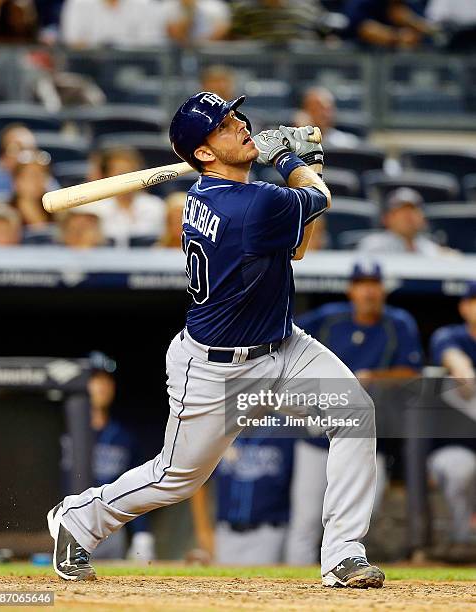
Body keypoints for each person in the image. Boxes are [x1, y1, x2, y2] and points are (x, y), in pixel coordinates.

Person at [47, 91, 385, 589]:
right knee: (176, 478)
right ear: (203, 153)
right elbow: (319, 199)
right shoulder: (248, 206)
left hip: (282, 348)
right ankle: (77, 518)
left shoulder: (218, 197)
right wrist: (292, 159)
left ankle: (343, 554)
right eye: (225, 124)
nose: (241, 124)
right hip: (214, 369)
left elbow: (296, 247)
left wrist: (303, 165)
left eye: (235, 115)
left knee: (355, 414)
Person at [286, 260, 422, 565]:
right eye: (362, 284)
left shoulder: (398, 323)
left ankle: (342, 567)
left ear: (383, 289)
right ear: (351, 290)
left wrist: (373, 377)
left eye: (374, 284)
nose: (368, 291)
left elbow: (412, 374)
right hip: (317, 436)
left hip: (367, 436)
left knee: (364, 512)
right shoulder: (329, 318)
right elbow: (284, 339)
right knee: (305, 519)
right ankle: (293, 587)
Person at [60, 352, 155, 561]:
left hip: (110, 530)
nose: (102, 385)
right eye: (95, 379)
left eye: (107, 379)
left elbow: (138, 487)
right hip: (67, 527)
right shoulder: (61, 431)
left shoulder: (124, 437)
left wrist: (142, 533)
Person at [191, 424, 295, 565]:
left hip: (269, 533)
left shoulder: (285, 430)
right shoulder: (220, 429)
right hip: (225, 532)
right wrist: (203, 530)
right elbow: (199, 481)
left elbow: (300, 487)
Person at [428, 283, 476, 557]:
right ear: (464, 307)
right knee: (460, 467)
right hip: (457, 447)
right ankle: (461, 539)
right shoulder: (451, 336)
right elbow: (458, 364)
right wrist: (463, 369)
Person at [83, 148, 166, 247]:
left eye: (130, 172)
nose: (126, 178)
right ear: (107, 176)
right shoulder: (93, 208)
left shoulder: (155, 206)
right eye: (119, 173)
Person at [358, 187, 449, 255]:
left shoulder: (431, 249)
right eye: (401, 211)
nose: (409, 216)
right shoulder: (373, 245)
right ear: (386, 218)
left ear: (423, 219)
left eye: (413, 210)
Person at [60, 0, 167, 48]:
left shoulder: (145, 4)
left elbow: (150, 43)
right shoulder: (78, 3)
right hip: (90, 66)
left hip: (132, 66)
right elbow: (72, 41)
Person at [343, 0, 434, 49]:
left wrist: (412, 22)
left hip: (396, 71)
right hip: (358, 65)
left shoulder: (406, 5)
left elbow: (427, 31)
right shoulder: (364, 3)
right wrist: (398, 36)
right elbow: (364, 29)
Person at [294, 87, 360, 149]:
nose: (325, 114)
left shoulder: (347, 144)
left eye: (328, 109)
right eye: (318, 109)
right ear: (305, 112)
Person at [230, 0, 323, 42]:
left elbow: (323, 36)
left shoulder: (308, 5)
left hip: (303, 68)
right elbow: (236, 38)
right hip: (260, 68)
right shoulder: (244, 8)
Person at [0, 124, 36, 198]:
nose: (26, 155)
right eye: (18, 149)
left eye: (31, 149)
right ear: (3, 156)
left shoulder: (44, 179)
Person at [163, 0, 231, 45]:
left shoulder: (215, 5)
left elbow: (221, 31)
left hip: (209, 55)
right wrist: (188, 11)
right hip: (178, 56)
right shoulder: (172, 5)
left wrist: (199, 44)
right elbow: (173, 32)